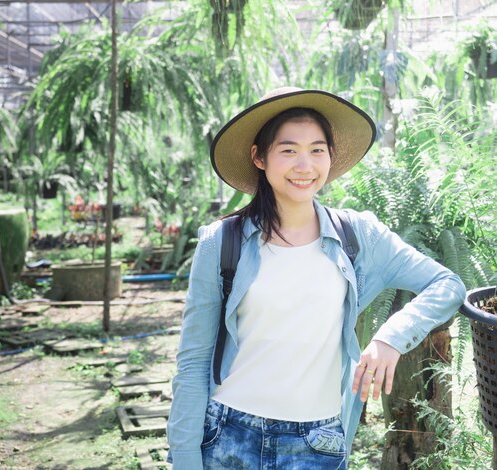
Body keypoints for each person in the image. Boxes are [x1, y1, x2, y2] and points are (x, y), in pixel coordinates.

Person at [166, 86, 466, 469]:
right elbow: (193, 361)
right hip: (230, 434)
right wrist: (186, 459)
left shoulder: (359, 236)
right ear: (259, 157)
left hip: (318, 441)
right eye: (288, 150)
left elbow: (448, 285)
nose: (304, 165)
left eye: (317, 150)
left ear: (330, 157)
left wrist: (390, 338)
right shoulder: (222, 243)